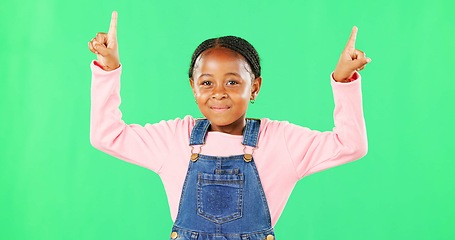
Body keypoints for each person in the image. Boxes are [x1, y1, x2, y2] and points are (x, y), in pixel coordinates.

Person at [88, 11, 371, 240]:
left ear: (255, 87)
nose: (219, 92)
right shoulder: (175, 138)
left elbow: (350, 145)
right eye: (207, 82)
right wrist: (108, 68)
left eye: (233, 82)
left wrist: (343, 80)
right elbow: (106, 136)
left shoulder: (279, 141)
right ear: (193, 88)